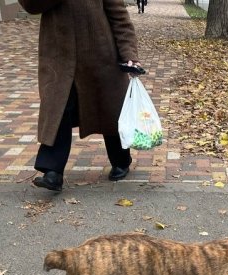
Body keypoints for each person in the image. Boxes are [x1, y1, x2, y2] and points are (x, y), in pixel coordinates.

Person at [18, 0, 141, 192]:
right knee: (58, 108)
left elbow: (119, 16)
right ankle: (53, 171)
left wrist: (129, 54)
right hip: (58, 56)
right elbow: (31, 6)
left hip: (101, 55)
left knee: (109, 108)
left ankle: (121, 160)